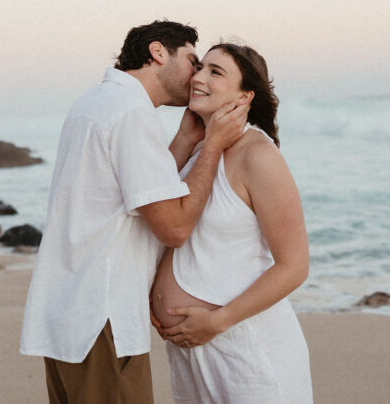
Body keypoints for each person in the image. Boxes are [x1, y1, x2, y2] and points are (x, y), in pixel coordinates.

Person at [20, 20, 251, 404]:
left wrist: (185, 140)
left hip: (70, 311)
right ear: (158, 52)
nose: (197, 76)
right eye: (193, 61)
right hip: (101, 316)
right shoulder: (132, 112)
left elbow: (137, 191)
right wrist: (212, 145)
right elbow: (175, 227)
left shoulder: (95, 102)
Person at [150, 42, 313, 403]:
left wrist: (217, 322)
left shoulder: (258, 155)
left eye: (216, 72)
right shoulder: (197, 152)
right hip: (191, 351)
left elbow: (294, 266)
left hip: (245, 349)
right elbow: (154, 212)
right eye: (200, 67)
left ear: (244, 96)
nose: (198, 77)